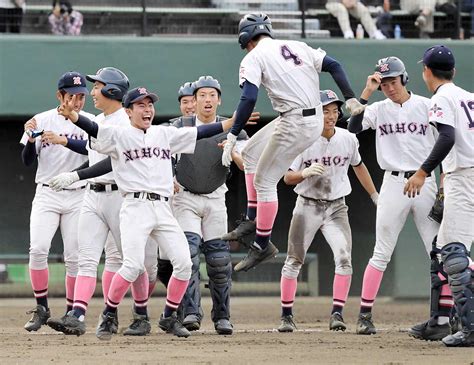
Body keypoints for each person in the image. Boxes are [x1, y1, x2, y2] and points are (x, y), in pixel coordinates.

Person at [56, 86, 241, 339]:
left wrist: (230, 123)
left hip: (163, 208)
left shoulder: (164, 133)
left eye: (150, 104)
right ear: (128, 110)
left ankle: (168, 316)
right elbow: (94, 129)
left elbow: (200, 132)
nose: (148, 109)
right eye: (141, 105)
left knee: (184, 264)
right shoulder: (119, 135)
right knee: (131, 266)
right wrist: (73, 116)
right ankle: (109, 312)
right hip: (135, 207)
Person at [220, 13, 365, 273]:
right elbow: (334, 65)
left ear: (246, 39)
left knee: (263, 182)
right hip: (305, 116)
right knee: (251, 153)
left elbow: (248, 99)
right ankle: (253, 220)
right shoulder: (296, 45)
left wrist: (233, 134)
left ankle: (262, 244)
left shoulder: (253, 56)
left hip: (296, 121)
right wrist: (350, 96)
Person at [44, 67, 152, 338]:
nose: (92, 92)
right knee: (87, 259)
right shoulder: (102, 120)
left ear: (112, 91)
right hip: (93, 195)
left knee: (130, 259)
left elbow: (109, 163)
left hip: (120, 196)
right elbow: (93, 156)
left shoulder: (126, 122)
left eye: (97, 86)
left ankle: (141, 315)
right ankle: (78, 314)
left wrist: (74, 175)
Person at [347, 56, 448, 336]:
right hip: (393, 183)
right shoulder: (378, 108)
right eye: (384, 83)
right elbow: (352, 129)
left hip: (424, 180)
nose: (389, 87)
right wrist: (366, 92)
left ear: (404, 78)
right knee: (381, 252)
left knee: (439, 251)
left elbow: (447, 141)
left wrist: (442, 181)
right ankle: (365, 315)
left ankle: (441, 317)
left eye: (392, 80)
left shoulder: (427, 106)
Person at [278, 90, 378, 333]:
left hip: (336, 206)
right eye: (325, 110)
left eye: (334, 110)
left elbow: (359, 166)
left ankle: (337, 313)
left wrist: (375, 195)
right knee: (293, 260)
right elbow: (287, 177)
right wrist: (304, 173)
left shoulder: (347, 139)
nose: (331, 115)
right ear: (315, 113)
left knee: (344, 259)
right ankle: (286, 315)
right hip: (308, 204)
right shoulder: (304, 140)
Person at [404, 45, 474, 347]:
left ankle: (470, 328)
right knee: (444, 248)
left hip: (464, 176)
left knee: (455, 255)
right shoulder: (469, 96)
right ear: (454, 71)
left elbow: (447, 136)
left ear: (426, 72)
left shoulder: (442, 98)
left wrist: (422, 171)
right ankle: (442, 321)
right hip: (463, 174)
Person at [170, 76, 250, 335]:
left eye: (211, 95)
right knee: (189, 256)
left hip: (216, 196)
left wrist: (233, 150)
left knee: (218, 260)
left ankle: (222, 315)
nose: (207, 100)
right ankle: (191, 311)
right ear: (193, 101)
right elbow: (159, 156)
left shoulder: (235, 129)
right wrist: (168, 178)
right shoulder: (179, 127)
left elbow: (247, 166)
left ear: (219, 100)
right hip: (185, 197)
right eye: (201, 95)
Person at [20, 71, 92, 332]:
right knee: (38, 249)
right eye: (72, 95)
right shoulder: (42, 119)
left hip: (79, 193)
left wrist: (64, 140)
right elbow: (27, 160)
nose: (77, 101)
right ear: (59, 96)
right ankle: (42, 308)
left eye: (82, 95)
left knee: (74, 256)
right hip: (47, 192)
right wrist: (30, 138)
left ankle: (71, 314)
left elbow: (92, 150)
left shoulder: (91, 121)